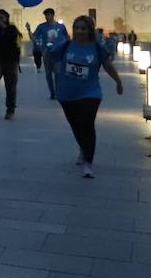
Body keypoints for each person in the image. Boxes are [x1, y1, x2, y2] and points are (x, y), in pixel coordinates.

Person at [46, 15, 123, 178]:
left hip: (90, 92)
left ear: (90, 30)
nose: (80, 31)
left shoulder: (96, 47)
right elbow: (50, 56)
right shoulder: (66, 45)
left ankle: (88, 161)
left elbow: (107, 65)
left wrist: (118, 81)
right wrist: (55, 71)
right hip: (66, 94)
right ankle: (83, 148)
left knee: (87, 125)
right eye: (77, 28)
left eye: (83, 28)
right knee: (75, 126)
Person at [32, 10, 66, 100]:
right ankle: (52, 92)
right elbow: (34, 37)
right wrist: (28, 30)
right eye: (45, 15)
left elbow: (66, 38)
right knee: (48, 74)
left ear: (53, 15)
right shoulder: (41, 26)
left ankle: (58, 91)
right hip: (47, 53)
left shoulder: (61, 26)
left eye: (48, 14)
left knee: (58, 73)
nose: (47, 16)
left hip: (58, 53)